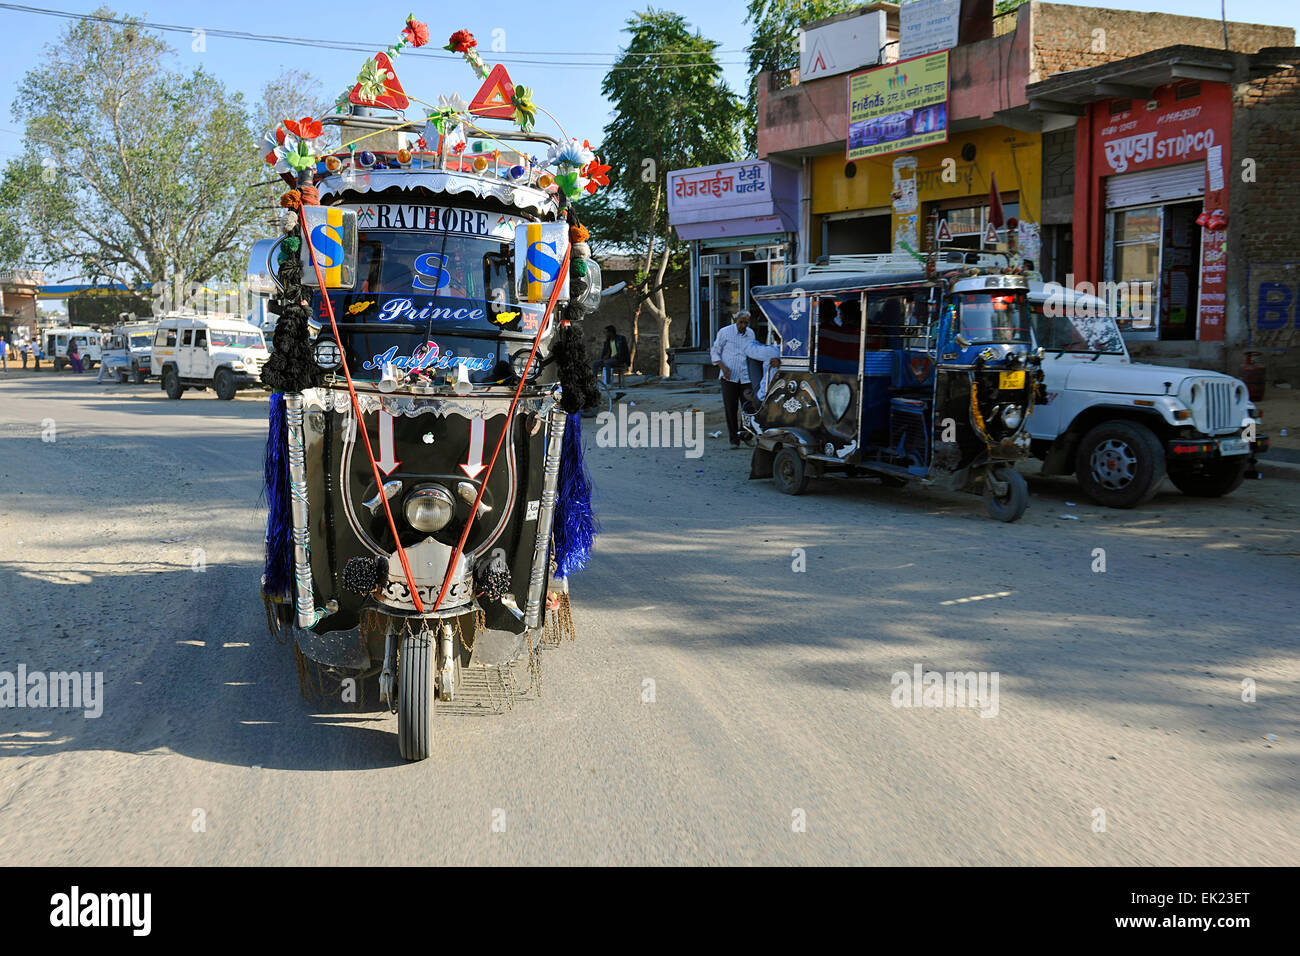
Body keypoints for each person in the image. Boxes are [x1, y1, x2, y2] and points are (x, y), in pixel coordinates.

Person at [710, 310, 757, 448]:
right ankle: (734, 440)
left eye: (746, 323)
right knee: (731, 408)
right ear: (736, 320)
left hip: (746, 376)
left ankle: (746, 434)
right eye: (740, 322)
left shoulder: (751, 333)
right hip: (729, 377)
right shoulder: (725, 332)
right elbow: (715, 351)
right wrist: (723, 367)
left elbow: (753, 352)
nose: (743, 325)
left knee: (749, 408)